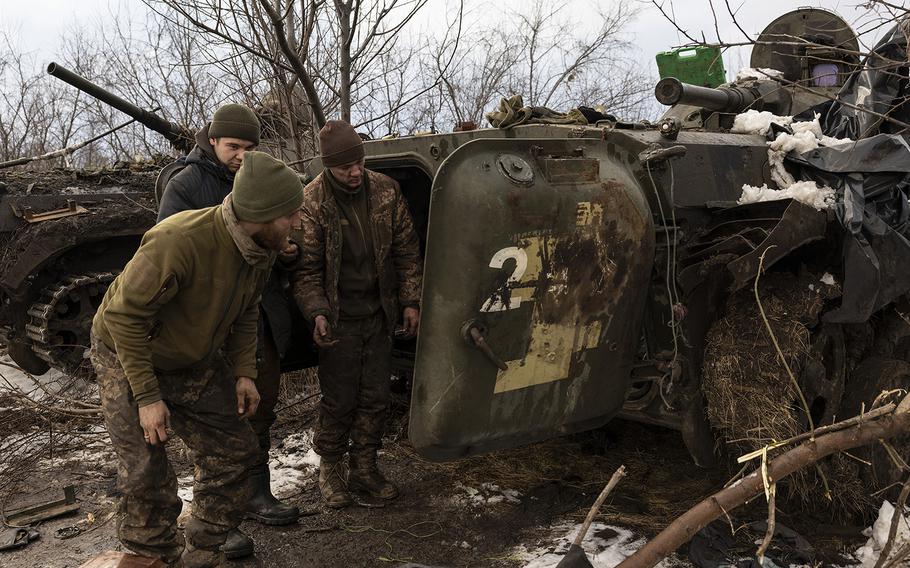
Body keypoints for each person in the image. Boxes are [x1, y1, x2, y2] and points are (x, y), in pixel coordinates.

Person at [91, 152, 304, 568]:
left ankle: (202, 552)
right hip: (129, 352)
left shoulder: (262, 245)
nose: (297, 223)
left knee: (235, 451)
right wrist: (149, 398)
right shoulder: (179, 241)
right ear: (261, 213)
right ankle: (152, 559)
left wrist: (244, 372)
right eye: (290, 215)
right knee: (145, 472)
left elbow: (247, 309)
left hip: (192, 355)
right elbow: (123, 318)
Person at [157, 104, 301, 559]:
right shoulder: (186, 184)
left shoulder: (262, 179)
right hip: (210, 322)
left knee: (261, 405)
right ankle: (221, 517)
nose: (241, 155)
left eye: (249, 147)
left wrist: (285, 249)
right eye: (234, 146)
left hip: (257, 315)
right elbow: (167, 253)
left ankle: (256, 494)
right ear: (213, 141)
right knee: (219, 424)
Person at [293, 120, 422, 508]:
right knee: (340, 398)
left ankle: (364, 467)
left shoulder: (386, 190)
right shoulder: (312, 202)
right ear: (328, 166)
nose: (354, 172)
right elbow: (306, 271)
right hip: (339, 318)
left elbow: (407, 251)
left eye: (359, 163)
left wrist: (410, 301)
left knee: (376, 396)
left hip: (379, 313)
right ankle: (330, 470)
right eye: (344, 166)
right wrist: (316, 312)